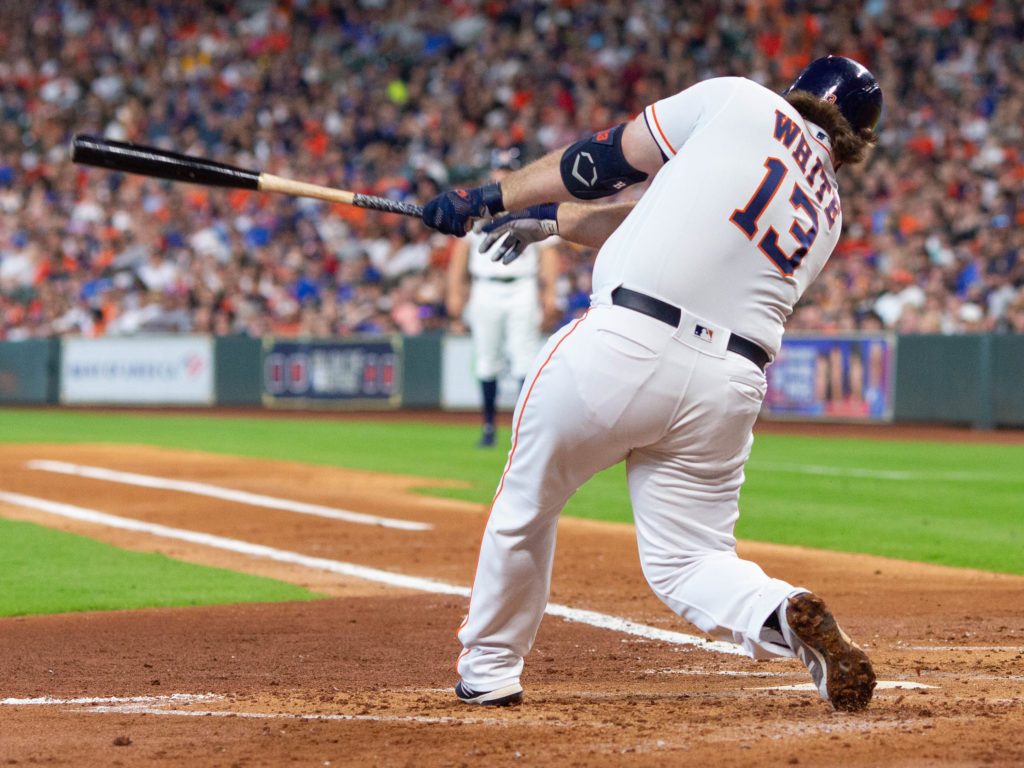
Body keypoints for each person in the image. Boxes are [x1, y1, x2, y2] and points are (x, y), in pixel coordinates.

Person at [420, 56, 883, 711]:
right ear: (857, 142)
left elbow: (607, 161)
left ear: (798, 91)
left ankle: (490, 669)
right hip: (727, 387)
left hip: (623, 344)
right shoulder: (828, 211)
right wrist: (551, 220)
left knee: (527, 503)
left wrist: (490, 196)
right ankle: (781, 611)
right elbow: (651, 213)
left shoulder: (740, 100)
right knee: (691, 559)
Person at [445, 149, 560, 447]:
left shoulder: (532, 203)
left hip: (522, 287)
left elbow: (548, 253)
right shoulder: (479, 206)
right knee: (486, 358)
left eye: (509, 169)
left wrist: (550, 293)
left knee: (524, 359)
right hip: (485, 288)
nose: (503, 175)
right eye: (500, 169)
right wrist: (455, 292)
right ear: (491, 173)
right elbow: (460, 251)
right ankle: (487, 426)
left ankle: (523, 431)